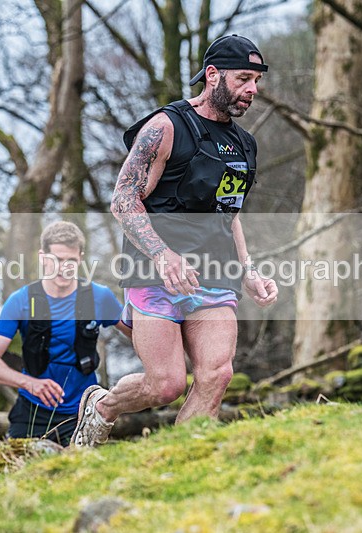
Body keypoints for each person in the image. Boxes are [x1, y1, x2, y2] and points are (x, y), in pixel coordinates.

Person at [71, 35, 278, 448]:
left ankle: (179, 462)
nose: (251, 89)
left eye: (255, 80)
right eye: (242, 78)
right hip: (154, 273)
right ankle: (103, 408)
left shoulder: (244, 145)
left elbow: (229, 213)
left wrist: (248, 270)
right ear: (213, 75)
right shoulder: (167, 126)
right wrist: (163, 256)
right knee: (165, 385)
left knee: (216, 375)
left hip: (216, 275)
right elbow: (124, 199)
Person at [0, 221, 129, 446]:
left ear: (80, 258)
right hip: (31, 411)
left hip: (81, 413)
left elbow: (140, 336)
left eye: (71, 261)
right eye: (57, 260)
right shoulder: (20, 301)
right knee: (17, 476)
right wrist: (30, 383)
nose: (64, 267)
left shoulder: (99, 297)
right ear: (43, 257)